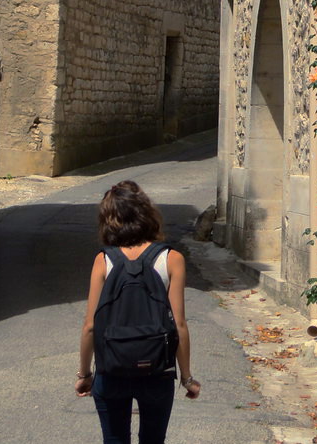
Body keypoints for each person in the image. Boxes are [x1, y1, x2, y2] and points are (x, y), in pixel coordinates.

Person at [75, 181, 199, 444]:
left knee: (114, 439)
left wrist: (85, 375)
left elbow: (90, 325)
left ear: (109, 221)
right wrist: (186, 377)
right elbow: (178, 324)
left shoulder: (103, 260)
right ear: (147, 214)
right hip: (157, 370)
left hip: (111, 370)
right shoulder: (172, 258)